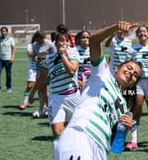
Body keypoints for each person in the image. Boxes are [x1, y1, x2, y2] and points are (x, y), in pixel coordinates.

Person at [55, 21, 142, 160]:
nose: (132, 73)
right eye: (129, 68)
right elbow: (94, 41)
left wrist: (125, 128)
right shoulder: (103, 74)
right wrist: (115, 27)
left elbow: (116, 145)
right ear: (117, 68)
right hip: (81, 134)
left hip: (101, 148)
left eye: (136, 75)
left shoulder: (123, 106)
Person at [29, 32, 81, 159]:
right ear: (56, 43)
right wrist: (32, 93)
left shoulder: (73, 53)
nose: (63, 43)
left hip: (73, 97)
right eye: (60, 40)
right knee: (57, 131)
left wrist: (63, 55)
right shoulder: (49, 58)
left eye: (65, 40)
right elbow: (42, 77)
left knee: (73, 132)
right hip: (55, 98)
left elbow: (72, 71)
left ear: (69, 42)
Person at [124, 24, 148, 151]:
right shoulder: (132, 49)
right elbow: (127, 64)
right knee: (137, 109)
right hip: (139, 83)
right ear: (137, 35)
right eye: (140, 32)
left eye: (144, 31)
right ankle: (134, 140)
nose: (142, 33)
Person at [105, 29, 136, 111]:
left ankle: (123, 108)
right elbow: (106, 45)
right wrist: (111, 35)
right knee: (112, 89)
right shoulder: (113, 40)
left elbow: (129, 56)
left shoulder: (128, 42)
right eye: (118, 30)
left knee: (123, 90)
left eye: (122, 30)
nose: (120, 32)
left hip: (124, 71)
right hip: (112, 70)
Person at [31, 30, 57, 118]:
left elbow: (55, 55)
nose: (40, 41)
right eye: (38, 39)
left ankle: (48, 108)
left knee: (51, 88)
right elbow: (33, 55)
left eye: (41, 39)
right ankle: (43, 109)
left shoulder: (50, 44)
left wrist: (46, 57)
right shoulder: (34, 45)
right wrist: (35, 57)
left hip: (49, 68)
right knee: (42, 89)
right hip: (40, 67)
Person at [0, 26, 16, 93]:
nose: (3, 33)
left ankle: (9, 87)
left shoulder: (11, 39)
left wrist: (12, 57)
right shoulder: (0, 39)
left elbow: (14, 48)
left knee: (8, 74)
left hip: (8, 60)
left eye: (4, 31)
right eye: (2, 31)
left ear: (7, 32)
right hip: (0, 59)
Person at [19, 33, 38, 110]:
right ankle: (24, 102)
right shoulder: (30, 45)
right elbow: (29, 53)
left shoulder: (44, 46)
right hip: (32, 68)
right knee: (29, 86)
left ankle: (44, 105)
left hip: (42, 68)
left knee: (42, 87)